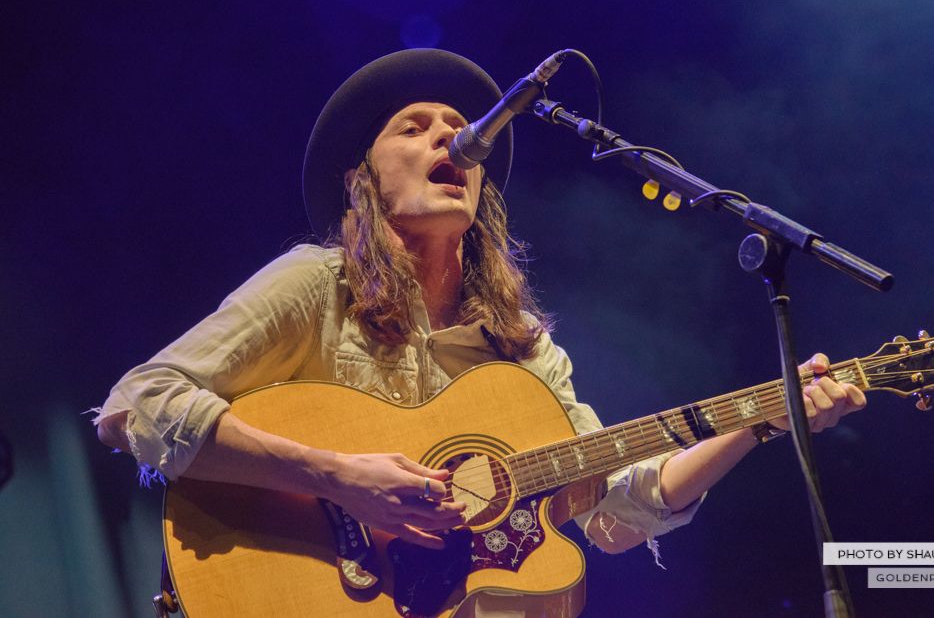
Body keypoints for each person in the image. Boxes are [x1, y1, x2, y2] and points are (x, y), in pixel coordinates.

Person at [94, 49, 866, 611]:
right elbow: (138, 404)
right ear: (362, 180)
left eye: (461, 129)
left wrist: (764, 420)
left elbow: (616, 513)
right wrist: (335, 476)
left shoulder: (524, 347)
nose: (447, 139)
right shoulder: (315, 283)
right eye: (414, 127)